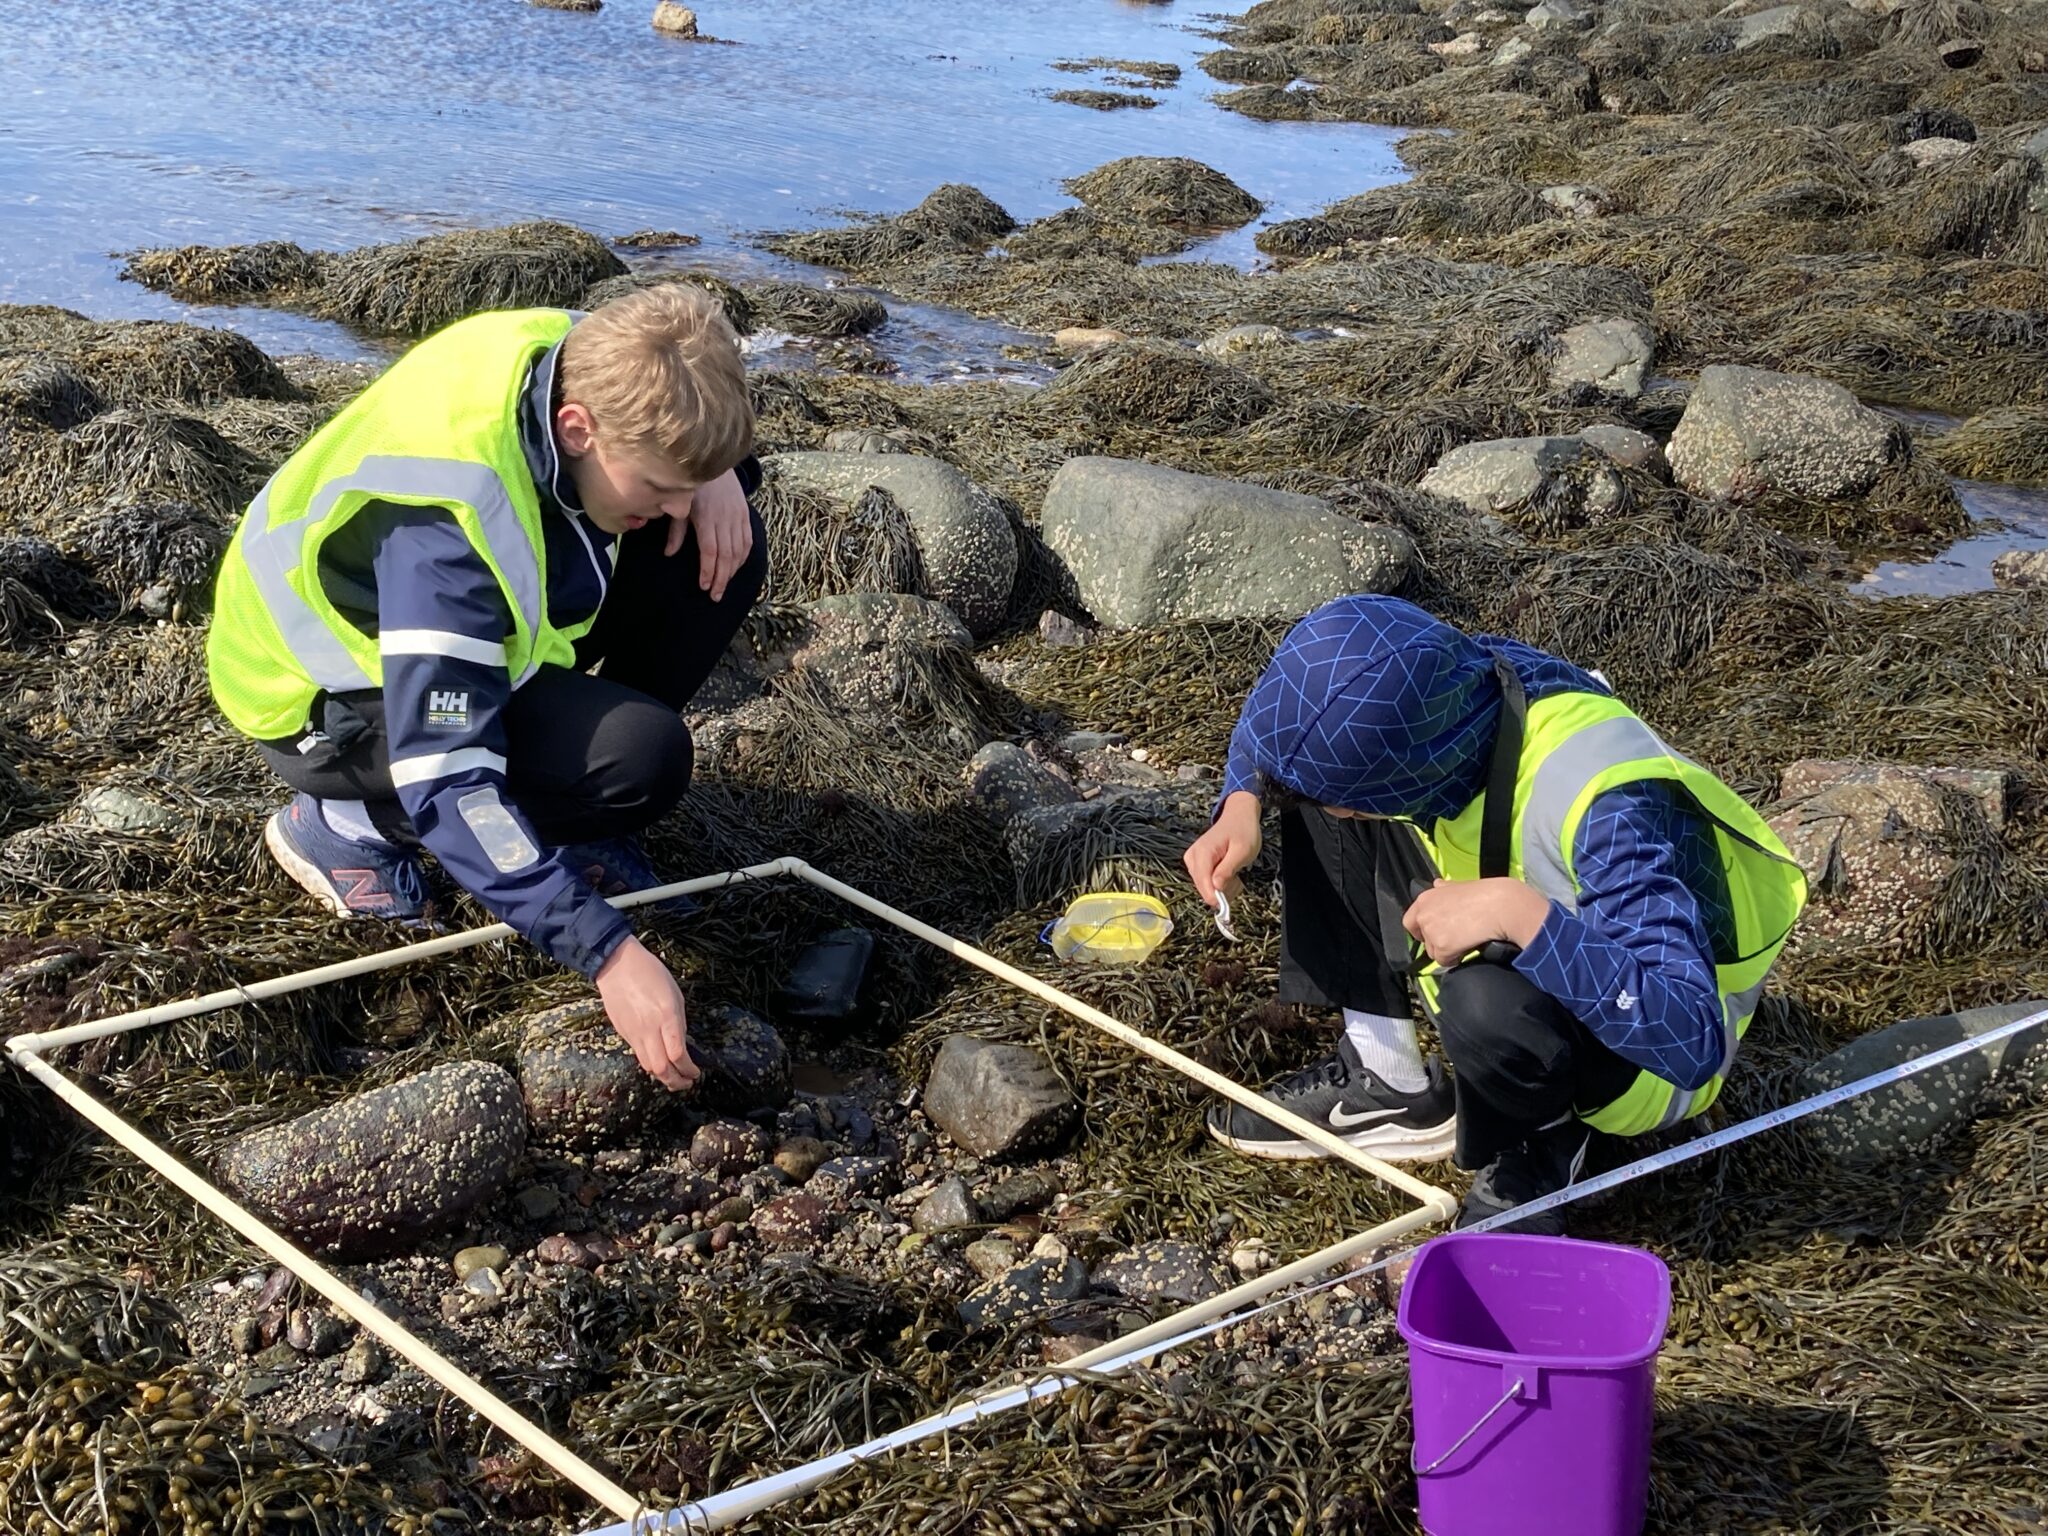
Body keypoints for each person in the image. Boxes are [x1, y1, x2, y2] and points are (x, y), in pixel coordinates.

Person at [206, 286, 767, 1092]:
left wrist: (713, 478)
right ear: (578, 430)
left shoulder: (582, 358)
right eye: (655, 485)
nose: (671, 504)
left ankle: (569, 804)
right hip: (332, 697)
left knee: (720, 541)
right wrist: (606, 952)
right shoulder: (448, 538)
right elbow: (451, 781)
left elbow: (674, 388)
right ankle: (344, 825)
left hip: (475, 635)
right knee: (638, 760)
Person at [1183, 596, 1806, 1232]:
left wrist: (1520, 914)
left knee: (1483, 1001)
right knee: (1319, 786)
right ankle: (1387, 1078)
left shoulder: (1608, 811)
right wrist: (1241, 798)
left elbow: (1690, 1039)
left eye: (1357, 806)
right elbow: (1287, 727)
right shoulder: (1452, 680)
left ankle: (1543, 1145)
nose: (1341, 812)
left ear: (1411, 778)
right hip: (1512, 902)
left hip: (1636, 1058)